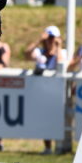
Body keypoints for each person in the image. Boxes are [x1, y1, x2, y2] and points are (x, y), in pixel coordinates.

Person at [25, 25, 66, 154]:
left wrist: (58, 47)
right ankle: (48, 147)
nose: (49, 40)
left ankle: (60, 146)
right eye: (48, 38)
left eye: (52, 38)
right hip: (42, 91)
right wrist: (38, 40)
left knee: (58, 119)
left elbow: (61, 63)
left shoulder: (62, 52)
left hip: (57, 91)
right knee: (45, 119)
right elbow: (26, 54)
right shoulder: (39, 52)